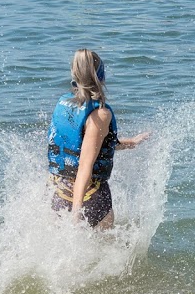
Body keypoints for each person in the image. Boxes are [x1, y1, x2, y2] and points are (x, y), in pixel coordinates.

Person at [48, 49, 149, 229]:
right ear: (101, 77)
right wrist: (76, 214)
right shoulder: (100, 114)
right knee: (110, 253)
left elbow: (85, 146)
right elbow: (85, 166)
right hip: (90, 197)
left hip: (60, 192)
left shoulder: (64, 104)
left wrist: (131, 142)